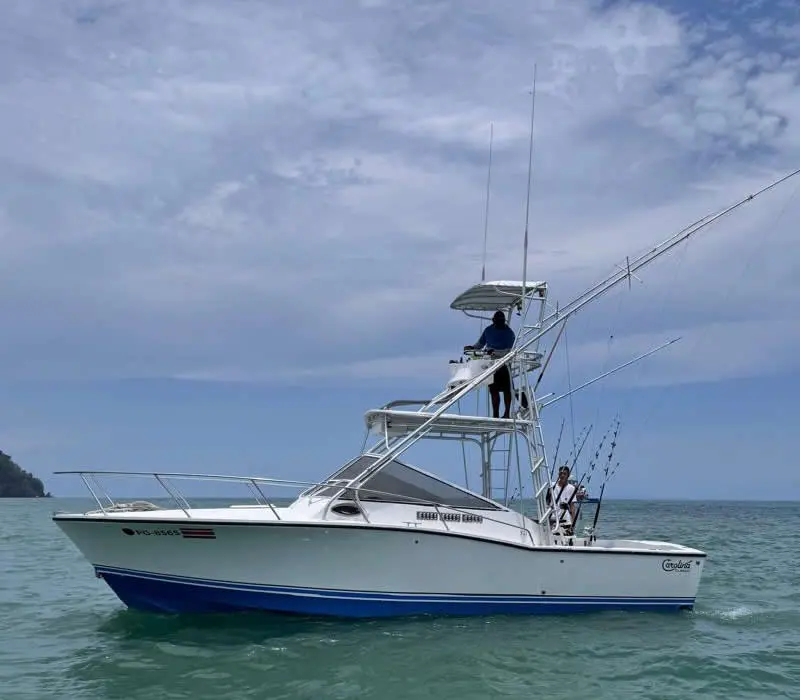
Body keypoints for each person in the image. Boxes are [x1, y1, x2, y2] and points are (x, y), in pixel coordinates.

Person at [464, 310, 515, 418]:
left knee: (507, 389)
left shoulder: (509, 333)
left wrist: (495, 352)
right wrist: (472, 348)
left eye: (501, 321)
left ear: (503, 321)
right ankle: (495, 414)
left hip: (505, 363)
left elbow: (510, 350)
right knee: (493, 390)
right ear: (493, 321)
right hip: (491, 363)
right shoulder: (488, 330)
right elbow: (480, 344)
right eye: (497, 321)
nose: (498, 323)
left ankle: (506, 413)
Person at [547, 465, 577, 534]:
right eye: (560, 473)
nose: (562, 475)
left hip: (566, 519)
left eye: (564, 474)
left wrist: (573, 523)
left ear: (568, 475)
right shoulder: (552, 486)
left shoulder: (571, 488)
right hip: (553, 518)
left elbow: (572, 507)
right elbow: (547, 502)